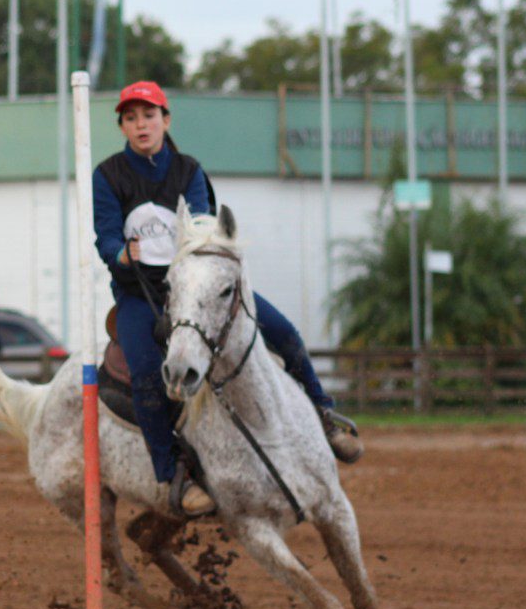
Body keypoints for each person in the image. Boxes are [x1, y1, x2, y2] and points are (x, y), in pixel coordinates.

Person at [92, 80, 362, 518]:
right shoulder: (107, 176)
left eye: (149, 115)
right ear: (123, 126)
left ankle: (324, 415)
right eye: (131, 117)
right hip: (139, 295)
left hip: (200, 288)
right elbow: (105, 234)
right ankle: (171, 474)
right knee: (145, 372)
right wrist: (120, 253)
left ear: (166, 120)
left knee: (283, 333)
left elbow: (204, 226)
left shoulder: (189, 170)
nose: (141, 124)